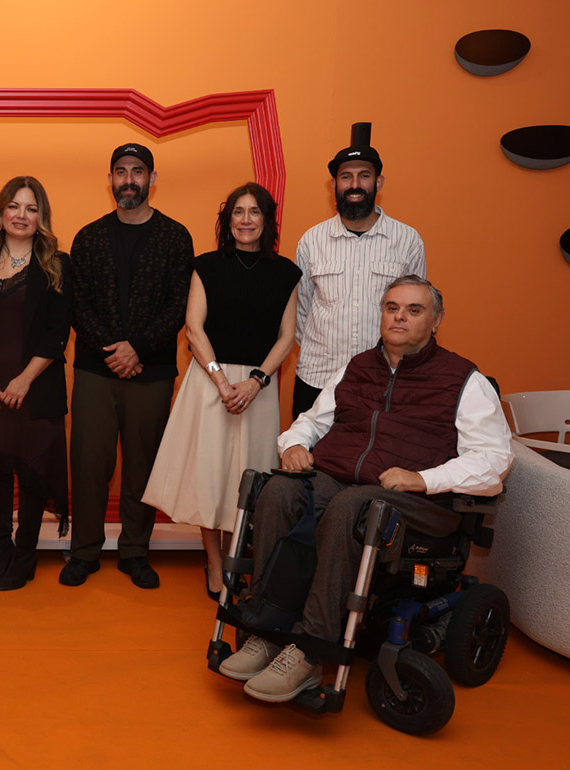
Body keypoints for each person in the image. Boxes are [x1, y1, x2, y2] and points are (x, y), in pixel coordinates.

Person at [219, 275, 514, 702]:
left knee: (351, 506)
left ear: (436, 320)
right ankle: (270, 631)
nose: (400, 317)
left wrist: (424, 479)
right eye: (392, 307)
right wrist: (296, 444)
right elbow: (313, 420)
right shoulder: (357, 367)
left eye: (414, 310)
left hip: (418, 500)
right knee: (281, 490)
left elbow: (494, 462)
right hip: (342, 481)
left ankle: (310, 652)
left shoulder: (463, 379)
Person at [142, 183, 300, 599]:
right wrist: (221, 381)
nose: (245, 220)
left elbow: (287, 337)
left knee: (250, 476)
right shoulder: (205, 266)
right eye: (238, 212)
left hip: (258, 387)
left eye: (254, 213)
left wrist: (255, 382)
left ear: (267, 221)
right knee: (209, 477)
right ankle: (214, 564)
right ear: (227, 220)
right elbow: (193, 328)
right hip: (210, 383)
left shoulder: (286, 273)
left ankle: (237, 559)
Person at [61, 143, 194, 589]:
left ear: (152, 179)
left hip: (151, 371)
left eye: (138, 171)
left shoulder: (176, 237)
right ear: (111, 179)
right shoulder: (88, 237)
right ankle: (83, 551)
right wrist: (116, 352)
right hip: (96, 371)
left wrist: (137, 348)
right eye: (121, 171)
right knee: (89, 462)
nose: (129, 179)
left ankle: (135, 551)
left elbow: (179, 306)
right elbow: (78, 306)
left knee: (143, 465)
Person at [0, 176, 71, 591]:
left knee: (33, 473)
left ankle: (26, 556)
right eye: (14, 206)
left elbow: (57, 333)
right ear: (0, 212)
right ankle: (1, 550)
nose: (21, 215)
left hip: (36, 388)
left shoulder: (57, 263)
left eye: (31, 208)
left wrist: (23, 381)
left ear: (41, 217)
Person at [292, 123, 425, 418]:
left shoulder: (407, 240)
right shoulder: (311, 240)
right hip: (317, 378)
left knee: (377, 462)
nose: (354, 185)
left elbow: (418, 313)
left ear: (378, 183)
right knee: (304, 459)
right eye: (346, 177)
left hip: (383, 381)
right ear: (334, 185)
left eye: (364, 176)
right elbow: (301, 312)